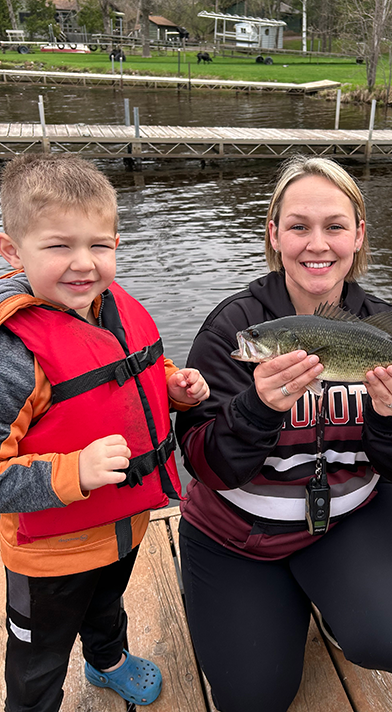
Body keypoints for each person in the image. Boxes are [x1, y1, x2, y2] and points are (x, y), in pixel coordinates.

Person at [175, 156, 392, 712]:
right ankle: (278, 603)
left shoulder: (385, 329)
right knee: (253, 699)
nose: (316, 244)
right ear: (274, 234)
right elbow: (204, 465)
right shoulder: (234, 328)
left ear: (359, 235)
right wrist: (257, 409)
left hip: (348, 517)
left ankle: (338, 597)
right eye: (298, 226)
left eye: (334, 226)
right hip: (237, 532)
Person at [0, 154, 210, 711]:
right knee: (37, 655)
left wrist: (172, 387)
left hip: (124, 523)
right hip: (49, 554)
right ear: (11, 251)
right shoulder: (13, 356)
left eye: (99, 245)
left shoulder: (113, 306)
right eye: (58, 246)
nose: (83, 264)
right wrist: (75, 472)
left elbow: (131, 378)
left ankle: (107, 658)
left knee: (108, 603)